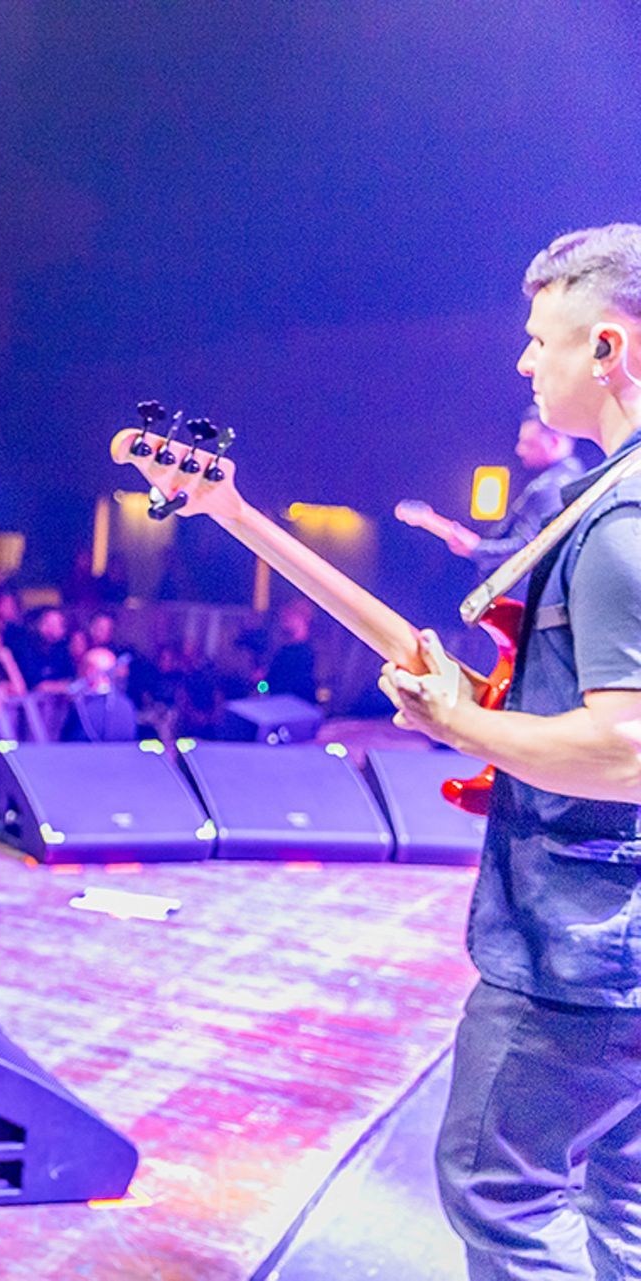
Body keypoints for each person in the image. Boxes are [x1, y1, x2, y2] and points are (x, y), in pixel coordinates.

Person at [379, 222, 641, 1280]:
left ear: (610, 350)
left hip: (582, 950)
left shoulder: (621, 524)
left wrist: (457, 722)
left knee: (503, 1200)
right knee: (626, 1208)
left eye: (542, 340)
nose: (524, 362)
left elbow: (627, 748)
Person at [397, 403, 587, 579]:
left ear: (554, 442)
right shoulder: (571, 478)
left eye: (528, 443)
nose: (519, 450)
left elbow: (530, 549)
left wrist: (477, 548)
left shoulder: (550, 487)